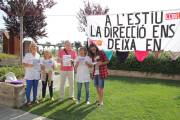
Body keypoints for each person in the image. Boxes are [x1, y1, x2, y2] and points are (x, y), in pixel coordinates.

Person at [23, 42, 41, 107]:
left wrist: (40, 65)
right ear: (30, 47)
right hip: (29, 74)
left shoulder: (38, 55)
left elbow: (39, 64)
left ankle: (35, 99)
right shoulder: (27, 55)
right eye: (32, 46)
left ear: (36, 48)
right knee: (29, 88)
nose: (34, 47)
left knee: (35, 88)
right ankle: (28, 101)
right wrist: (29, 65)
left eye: (35, 46)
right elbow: (24, 63)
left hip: (36, 74)